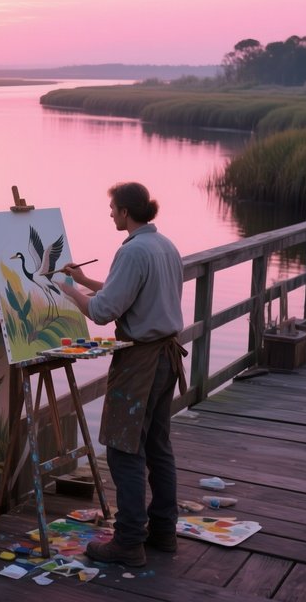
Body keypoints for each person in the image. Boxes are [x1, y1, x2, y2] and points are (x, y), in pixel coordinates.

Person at [58, 181, 187, 567]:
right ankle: (163, 531)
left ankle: (129, 541)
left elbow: (102, 312)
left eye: (113, 208)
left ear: (126, 212)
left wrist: (67, 291)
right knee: (158, 446)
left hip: (142, 362)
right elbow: (127, 293)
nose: (110, 214)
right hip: (166, 357)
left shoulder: (132, 252)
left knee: (123, 449)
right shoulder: (164, 245)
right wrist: (83, 282)